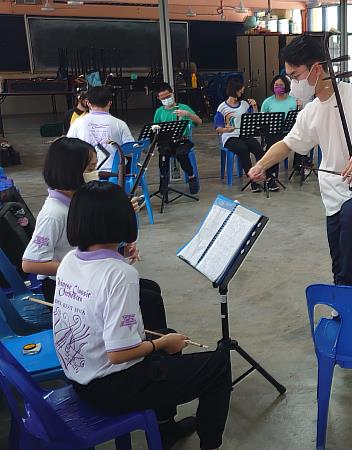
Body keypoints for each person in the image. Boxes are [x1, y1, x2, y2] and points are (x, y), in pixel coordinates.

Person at [55, 181, 232, 450]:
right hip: (111, 387)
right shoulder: (120, 275)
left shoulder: (69, 260)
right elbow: (119, 354)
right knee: (217, 366)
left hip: (81, 376)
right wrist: (161, 344)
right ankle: (211, 445)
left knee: (166, 333)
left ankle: (164, 427)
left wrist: (119, 256)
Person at [248, 35, 352, 286]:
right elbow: (288, 144)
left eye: (295, 76)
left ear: (316, 69)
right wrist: (261, 164)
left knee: (351, 216)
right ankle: (344, 305)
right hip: (333, 194)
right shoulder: (311, 112)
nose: (292, 83)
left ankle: (346, 293)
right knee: (338, 265)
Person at [20, 137, 168, 332]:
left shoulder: (77, 201)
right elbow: (30, 263)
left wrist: (120, 246)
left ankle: (146, 342)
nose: (95, 174)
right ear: (70, 171)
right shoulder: (53, 214)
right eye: (90, 169)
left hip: (86, 278)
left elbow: (92, 241)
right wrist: (84, 268)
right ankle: (146, 351)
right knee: (149, 300)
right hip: (64, 287)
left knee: (150, 288)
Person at [67, 86, 135, 173]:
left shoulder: (78, 123)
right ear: (110, 103)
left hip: (87, 174)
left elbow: (69, 149)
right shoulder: (120, 124)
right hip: (116, 174)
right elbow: (130, 150)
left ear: (88, 103)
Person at [214, 78, 264, 192]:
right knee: (243, 149)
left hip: (244, 134)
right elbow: (218, 128)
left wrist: (255, 107)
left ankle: (268, 176)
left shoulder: (245, 105)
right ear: (234, 90)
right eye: (240, 89)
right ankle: (253, 180)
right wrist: (226, 129)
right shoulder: (222, 107)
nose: (243, 91)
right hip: (230, 137)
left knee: (258, 148)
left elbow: (255, 120)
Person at [154, 84, 202, 196]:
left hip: (183, 140)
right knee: (163, 154)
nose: (166, 99)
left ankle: (191, 176)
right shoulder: (159, 112)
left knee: (182, 153)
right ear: (159, 99)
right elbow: (155, 128)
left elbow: (199, 122)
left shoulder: (184, 107)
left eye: (168, 96)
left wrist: (188, 114)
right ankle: (164, 179)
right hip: (166, 141)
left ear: (173, 94)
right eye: (163, 98)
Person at [259, 74, 302, 191]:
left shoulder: (293, 101)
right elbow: (261, 120)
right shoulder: (267, 102)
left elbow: (299, 119)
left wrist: (299, 107)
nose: (278, 87)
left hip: (289, 131)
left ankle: (299, 166)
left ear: (286, 86)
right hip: (273, 132)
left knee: (302, 139)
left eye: (281, 85)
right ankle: (271, 177)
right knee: (274, 143)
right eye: (276, 85)